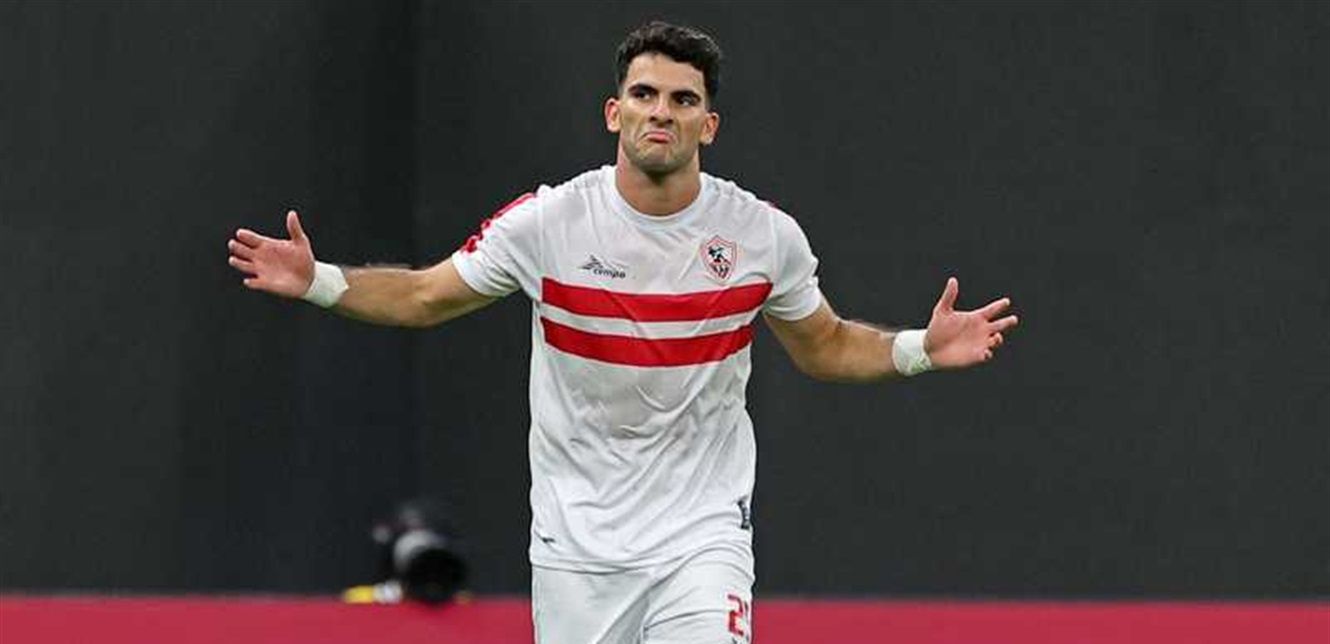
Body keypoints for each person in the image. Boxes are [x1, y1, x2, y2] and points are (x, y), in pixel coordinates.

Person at [228, 21, 1017, 644]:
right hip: (576, 550)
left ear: (709, 124)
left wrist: (920, 350)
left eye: (682, 100)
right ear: (615, 112)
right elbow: (427, 295)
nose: (660, 112)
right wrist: (320, 279)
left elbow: (827, 343)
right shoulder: (548, 223)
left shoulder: (762, 237)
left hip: (701, 539)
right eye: (644, 94)